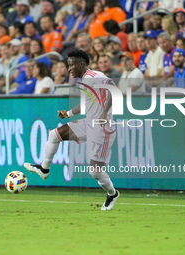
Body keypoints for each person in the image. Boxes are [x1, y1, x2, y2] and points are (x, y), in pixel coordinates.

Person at [24, 49, 120, 211]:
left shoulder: (94, 76)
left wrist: (104, 112)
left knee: (95, 172)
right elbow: (85, 104)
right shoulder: (84, 81)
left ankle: (112, 193)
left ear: (81, 64)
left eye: (71, 65)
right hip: (88, 123)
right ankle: (44, 169)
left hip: (102, 128)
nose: (69, 69)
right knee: (54, 135)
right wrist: (68, 114)